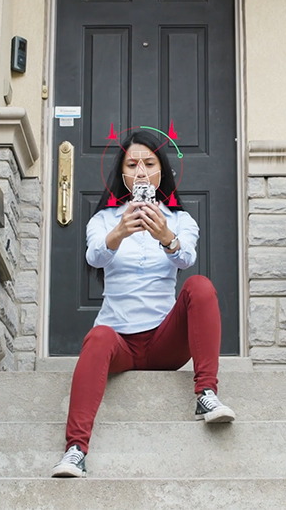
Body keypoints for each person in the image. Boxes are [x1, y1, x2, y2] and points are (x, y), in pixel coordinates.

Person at [50, 131, 235, 478]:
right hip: (119, 343)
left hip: (165, 342)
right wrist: (119, 232)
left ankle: (207, 393)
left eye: (149, 164)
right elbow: (94, 257)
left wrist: (166, 237)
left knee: (200, 287)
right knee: (98, 337)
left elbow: (186, 259)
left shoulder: (179, 220)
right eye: (132, 164)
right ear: (121, 174)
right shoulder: (104, 219)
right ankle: (75, 450)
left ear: (161, 171)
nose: (140, 172)